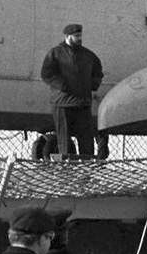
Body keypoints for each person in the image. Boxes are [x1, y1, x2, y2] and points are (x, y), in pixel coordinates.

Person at [39, 24, 104, 160]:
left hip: (82, 104)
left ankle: (86, 175)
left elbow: (98, 72)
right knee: (65, 143)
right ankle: (67, 175)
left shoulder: (88, 55)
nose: (79, 38)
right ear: (68, 36)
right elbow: (46, 73)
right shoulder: (55, 53)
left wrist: (91, 85)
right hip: (62, 104)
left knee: (87, 143)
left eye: (80, 36)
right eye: (76, 36)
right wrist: (63, 85)